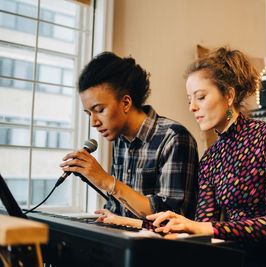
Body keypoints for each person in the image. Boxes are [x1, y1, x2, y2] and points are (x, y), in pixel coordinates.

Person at [97, 47, 266, 266]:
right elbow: (201, 226)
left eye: (201, 97)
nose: (192, 107)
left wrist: (201, 226)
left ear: (229, 95)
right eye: (189, 99)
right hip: (236, 259)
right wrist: (130, 223)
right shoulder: (211, 158)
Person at [60, 52, 199, 223]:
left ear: (125, 103)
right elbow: (119, 208)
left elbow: (170, 218)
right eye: (89, 113)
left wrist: (106, 181)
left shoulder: (174, 138)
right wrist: (109, 214)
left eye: (100, 110)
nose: (94, 122)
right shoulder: (119, 141)